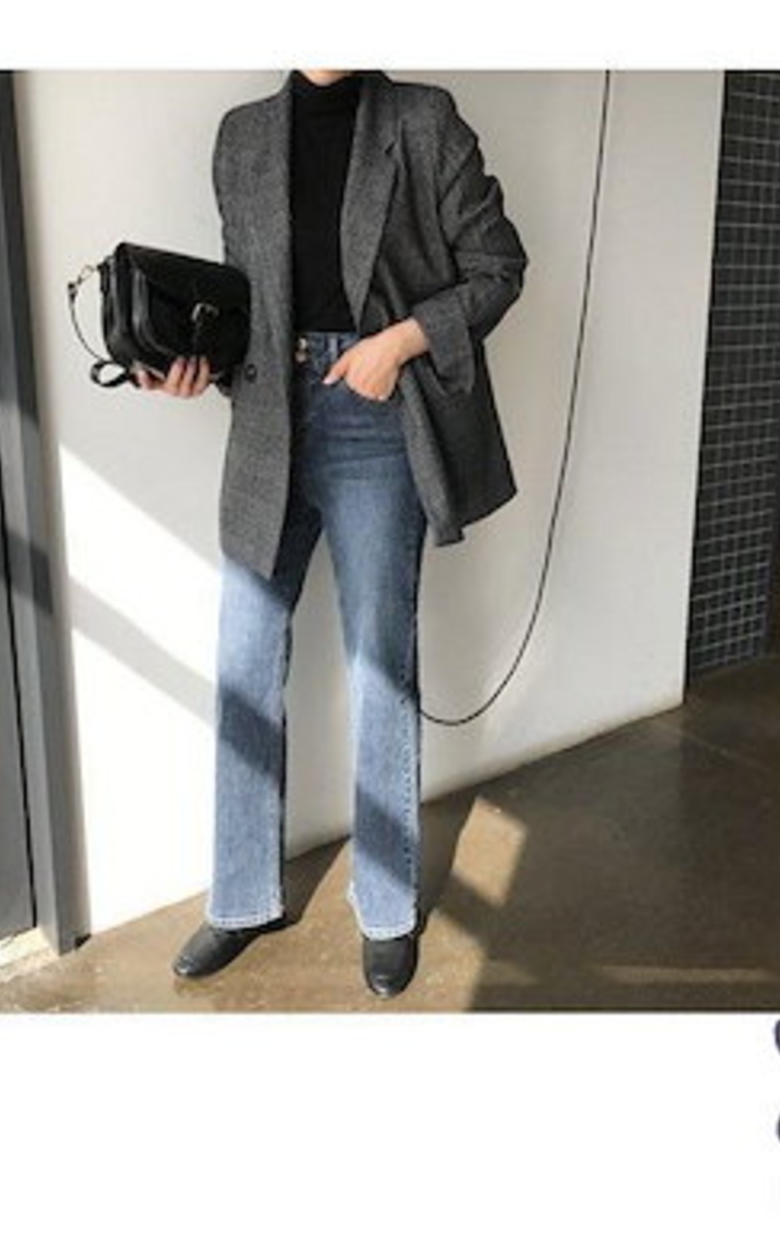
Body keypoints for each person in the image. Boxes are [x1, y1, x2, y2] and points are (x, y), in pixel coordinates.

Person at [139, 68, 527, 997]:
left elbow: (498, 267)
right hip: (267, 421)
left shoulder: (422, 120)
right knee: (243, 662)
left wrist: (398, 342)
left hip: (375, 418)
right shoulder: (241, 136)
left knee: (378, 664)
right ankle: (241, 898)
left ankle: (386, 906)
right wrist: (192, 363)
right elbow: (243, 302)